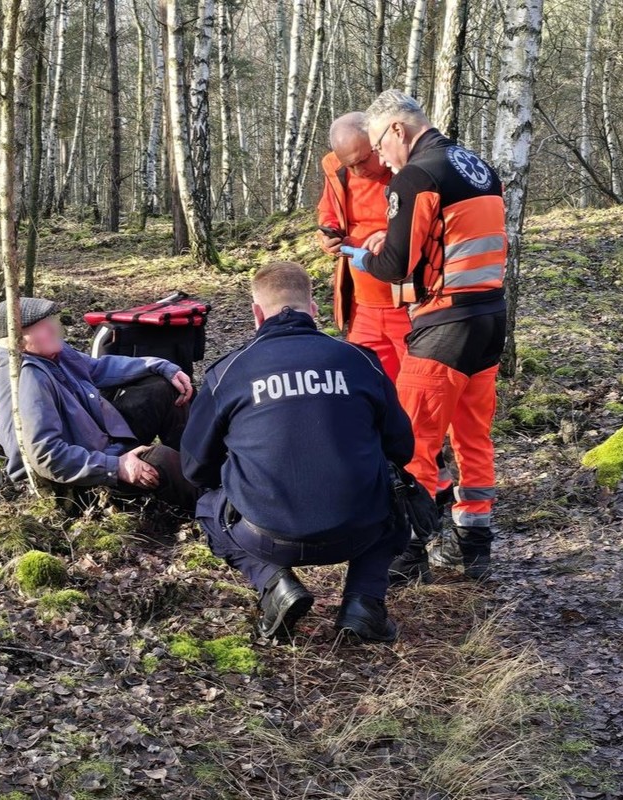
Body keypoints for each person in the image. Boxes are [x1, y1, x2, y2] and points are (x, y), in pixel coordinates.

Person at [180, 262, 414, 642]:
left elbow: (194, 468)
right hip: (361, 529)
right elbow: (402, 448)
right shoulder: (360, 360)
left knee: (208, 506)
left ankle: (274, 585)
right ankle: (364, 603)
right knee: (398, 489)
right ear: (314, 308)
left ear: (256, 313)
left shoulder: (228, 372)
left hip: (265, 535)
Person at [339, 90, 507, 583]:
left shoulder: (416, 175)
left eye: (378, 145)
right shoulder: (474, 164)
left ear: (396, 129)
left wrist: (362, 255)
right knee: (473, 436)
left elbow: (397, 265)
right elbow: (451, 240)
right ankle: (474, 545)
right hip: (489, 316)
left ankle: (406, 553)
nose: (383, 162)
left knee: (414, 440)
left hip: (445, 324)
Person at [0, 296, 199, 511]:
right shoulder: (28, 377)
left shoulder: (51, 355)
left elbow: (98, 368)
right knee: (160, 460)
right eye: (43, 326)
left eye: (51, 321)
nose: (54, 328)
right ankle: (217, 505)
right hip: (77, 481)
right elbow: (46, 456)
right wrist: (116, 466)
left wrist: (161, 366)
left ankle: (200, 466)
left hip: (103, 443)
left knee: (162, 388)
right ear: (17, 340)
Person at [316, 112, 412, 382]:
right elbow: (327, 212)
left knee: (419, 389)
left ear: (377, 141)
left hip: (407, 303)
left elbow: (431, 220)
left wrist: (394, 235)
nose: (359, 171)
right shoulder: (335, 169)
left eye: (362, 160)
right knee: (368, 384)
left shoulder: (410, 168)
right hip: (360, 305)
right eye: (351, 165)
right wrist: (327, 236)